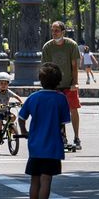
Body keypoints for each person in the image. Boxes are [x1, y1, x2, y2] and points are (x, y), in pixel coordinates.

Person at [17, 63, 72, 199]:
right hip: (52, 146)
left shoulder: (34, 97)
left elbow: (21, 117)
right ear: (58, 82)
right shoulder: (61, 98)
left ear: (40, 80)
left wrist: (25, 131)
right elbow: (63, 123)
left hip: (35, 146)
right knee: (46, 180)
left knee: (34, 181)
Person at [41, 21, 82, 150]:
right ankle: (61, 135)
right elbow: (45, 67)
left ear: (63, 32)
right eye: (53, 30)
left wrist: (75, 82)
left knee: (73, 109)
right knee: (56, 111)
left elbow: (75, 65)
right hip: (54, 85)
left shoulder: (71, 45)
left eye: (57, 30)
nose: (54, 33)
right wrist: (47, 84)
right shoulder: (47, 47)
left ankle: (76, 137)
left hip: (68, 83)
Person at [0, 71, 22, 146]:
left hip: (5, 111)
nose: (3, 85)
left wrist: (21, 102)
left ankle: (9, 127)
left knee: (13, 116)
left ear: (8, 84)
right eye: (1, 83)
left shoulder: (8, 92)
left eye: (5, 83)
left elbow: (16, 96)